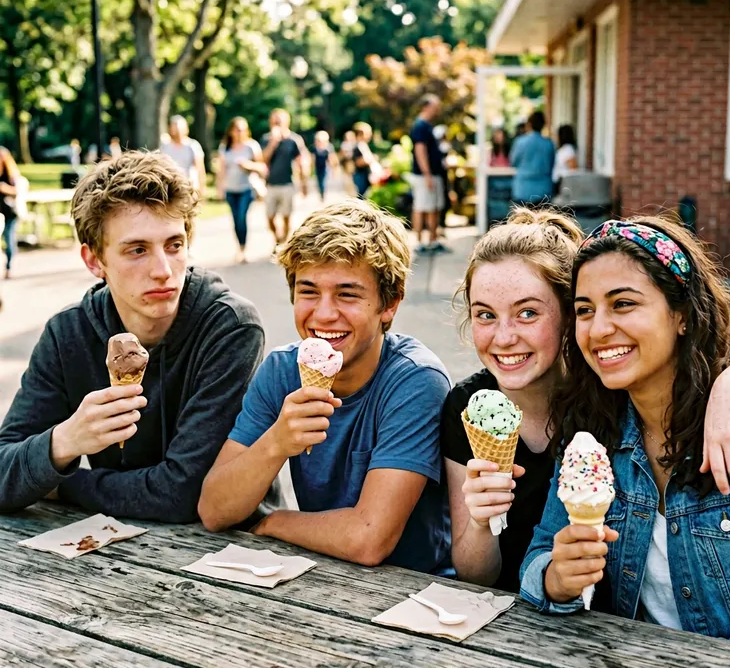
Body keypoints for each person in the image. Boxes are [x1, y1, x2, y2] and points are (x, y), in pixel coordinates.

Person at [442, 208, 730, 592]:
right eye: (484, 315)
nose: (505, 336)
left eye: (528, 312)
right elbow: (525, 565)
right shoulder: (592, 421)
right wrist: (548, 575)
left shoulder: (603, 403)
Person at [522, 216, 730, 654]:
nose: (598, 329)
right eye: (584, 309)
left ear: (682, 315)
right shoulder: (591, 430)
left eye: (624, 304)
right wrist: (556, 580)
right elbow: (539, 556)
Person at [0, 151, 265, 521]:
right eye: (137, 250)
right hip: (109, 553)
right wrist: (65, 441)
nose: (163, 270)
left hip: (231, 552)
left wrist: (61, 483)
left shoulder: (229, 328)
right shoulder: (69, 334)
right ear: (94, 261)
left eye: (174, 246)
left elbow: (184, 493)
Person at [198, 199, 452, 574]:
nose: (324, 313)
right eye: (309, 291)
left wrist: (273, 522)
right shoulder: (283, 370)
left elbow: (369, 539)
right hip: (323, 573)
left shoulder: (415, 380)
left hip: (417, 590)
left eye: (347, 294)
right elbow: (214, 510)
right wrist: (276, 442)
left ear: (389, 304)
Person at [217, 117, 265, 264]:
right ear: (231, 131)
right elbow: (221, 170)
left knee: (241, 217)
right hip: (231, 189)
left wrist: (248, 165)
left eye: (243, 129)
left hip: (246, 188)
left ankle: (243, 250)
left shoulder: (251, 146)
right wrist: (220, 188)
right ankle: (239, 247)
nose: (240, 132)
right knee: (235, 219)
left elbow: (262, 168)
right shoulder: (225, 147)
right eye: (238, 129)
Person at [262, 109, 308, 249]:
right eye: (274, 121)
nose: (276, 123)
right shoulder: (266, 139)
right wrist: (273, 143)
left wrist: (304, 182)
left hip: (288, 184)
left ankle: (283, 243)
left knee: (286, 216)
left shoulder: (294, 140)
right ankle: (277, 237)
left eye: (279, 121)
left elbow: (302, 160)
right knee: (269, 217)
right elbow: (263, 159)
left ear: (286, 122)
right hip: (270, 184)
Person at [410, 95, 449, 254]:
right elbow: (420, 151)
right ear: (426, 106)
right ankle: (419, 242)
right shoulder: (420, 126)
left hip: (433, 174)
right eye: (435, 106)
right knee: (422, 207)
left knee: (433, 208)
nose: (437, 110)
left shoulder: (427, 126)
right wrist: (427, 175)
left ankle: (432, 241)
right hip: (425, 175)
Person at [510, 112, 555, 206]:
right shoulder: (549, 144)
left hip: (522, 189)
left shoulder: (520, 142)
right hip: (543, 190)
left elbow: (513, 162)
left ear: (529, 124)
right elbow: (551, 165)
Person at [160, 115, 206, 193]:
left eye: (177, 127)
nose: (175, 130)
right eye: (173, 127)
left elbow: (200, 168)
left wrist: (202, 188)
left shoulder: (193, 145)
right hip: (170, 187)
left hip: (189, 186)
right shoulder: (165, 146)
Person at [0, 147, 22, 282]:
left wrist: (4, 188)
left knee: (8, 238)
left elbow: (18, 190)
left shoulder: (10, 174)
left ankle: (9, 266)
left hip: (10, 213)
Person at [552, 124, 578, 194]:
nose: (555, 137)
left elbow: (573, 170)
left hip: (562, 184)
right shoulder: (563, 149)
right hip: (557, 182)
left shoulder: (568, 150)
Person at [351, 123, 375, 199]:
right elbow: (358, 161)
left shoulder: (363, 145)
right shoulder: (358, 146)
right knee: (361, 195)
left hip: (364, 175)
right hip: (360, 175)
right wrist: (369, 160)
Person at [313, 130, 337, 202]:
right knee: (319, 182)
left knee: (323, 181)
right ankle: (321, 193)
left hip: (325, 167)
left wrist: (334, 169)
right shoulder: (314, 148)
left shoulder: (328, 148)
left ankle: (323, 194)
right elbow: (312, 158)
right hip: (318, 167)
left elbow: (331, 158)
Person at [338, 130, 357, 196]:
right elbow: (342, 154)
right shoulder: (344, 144)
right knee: (347, 179)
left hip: (352, 163)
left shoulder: (354, 144)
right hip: (346, 163)